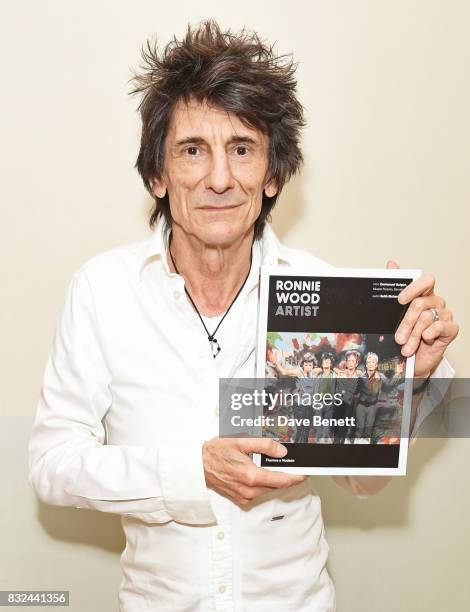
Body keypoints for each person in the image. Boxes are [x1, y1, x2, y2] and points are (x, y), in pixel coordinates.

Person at [27, 20, 459, 612]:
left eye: (241, 149)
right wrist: (191, 469)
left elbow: (365, 480)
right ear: (157, 175)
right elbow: (53, 467)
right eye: (192, 150)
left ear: (273, 175)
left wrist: (411, 378)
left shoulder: (328, 301)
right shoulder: (102, 291)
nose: (220, 179)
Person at [354, 353, 404, 442]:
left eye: (373, 362)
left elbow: (389, 384)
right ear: (366, 364)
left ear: (376, 365)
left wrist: (398, 373)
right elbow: (355, 392)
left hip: (372, 407)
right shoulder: (361, 378)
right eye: (369, 362)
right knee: (359, 429)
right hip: (361, 406)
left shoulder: (381, 377)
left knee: (368, 430)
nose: (371, 364)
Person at [333, 350, 364, 443]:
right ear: (346, 362)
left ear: (356, 363)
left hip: (351, 407)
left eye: (353, 361)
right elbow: (336, 390)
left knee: (345, 431)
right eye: (349, 361)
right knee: (337, 432)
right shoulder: (340, 375)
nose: (350, 363)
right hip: (339, 405)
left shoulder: (359, 376)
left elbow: (359, 392)